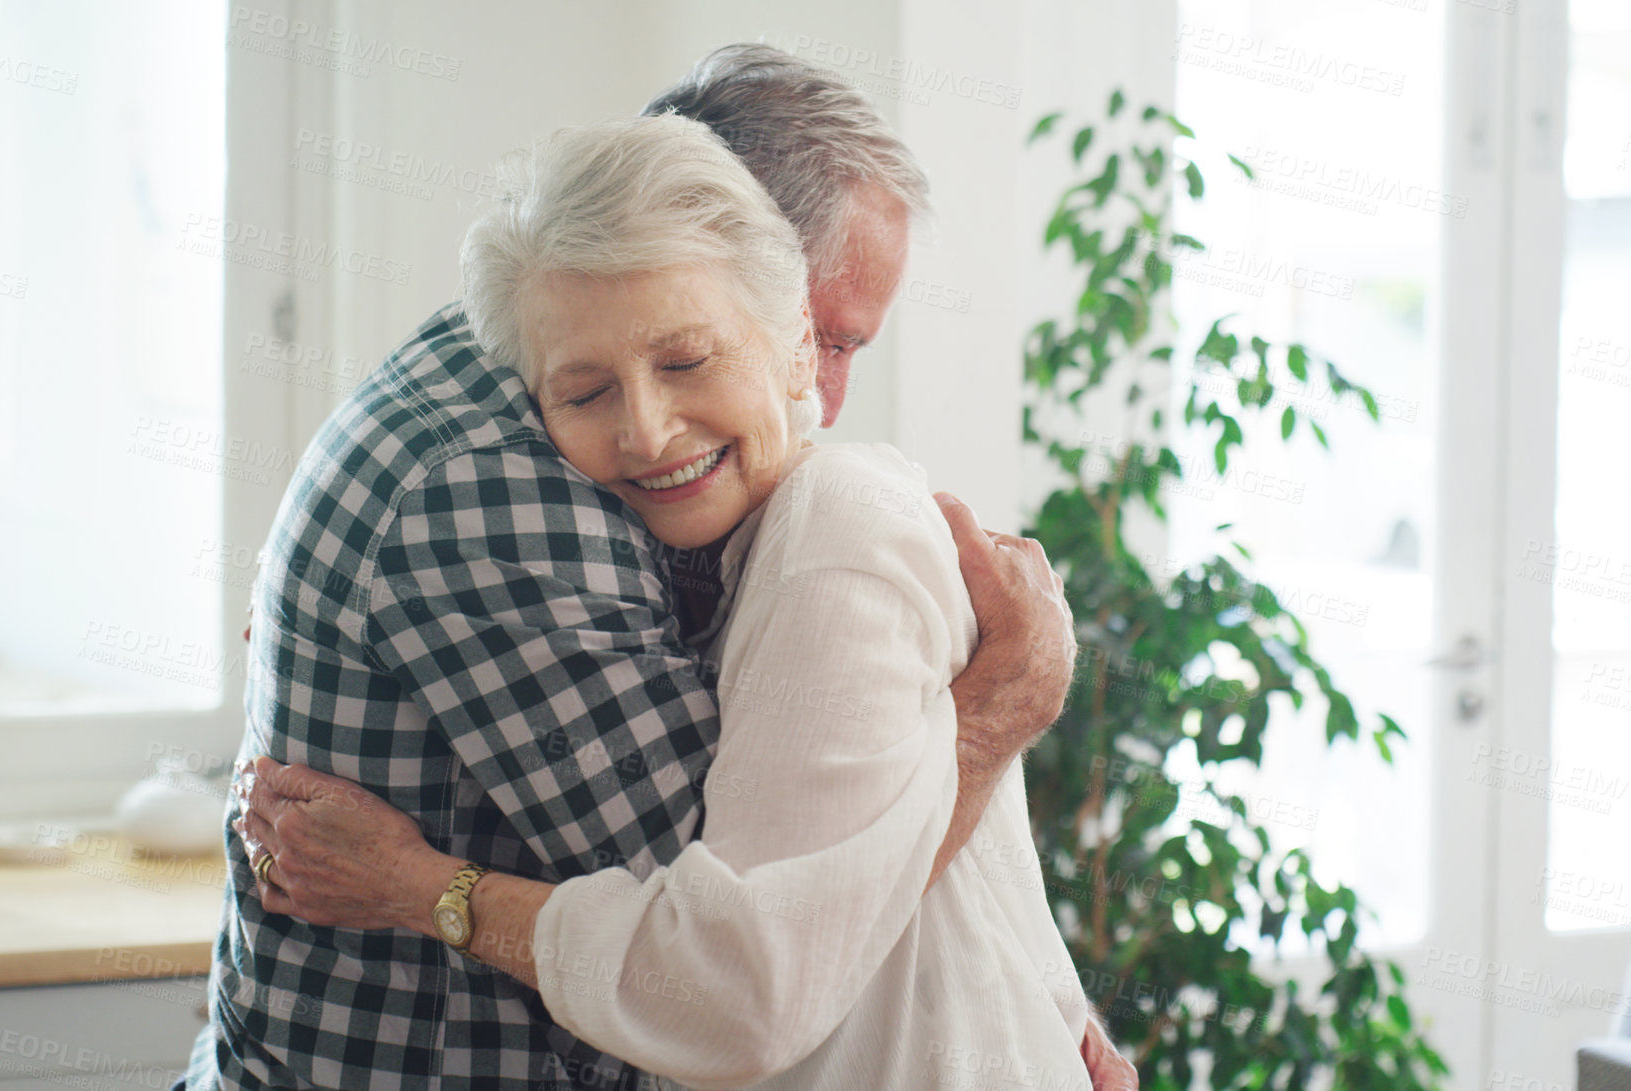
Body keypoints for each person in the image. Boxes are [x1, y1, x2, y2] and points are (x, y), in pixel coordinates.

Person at [184, 44, 1131, 1090]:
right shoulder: (503, 487)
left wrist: (1043, 998)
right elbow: (741, 959)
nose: (831, 391)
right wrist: (1003, 702)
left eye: (840, 344)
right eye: (830, 339)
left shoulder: (789, 503)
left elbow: (815, 878)